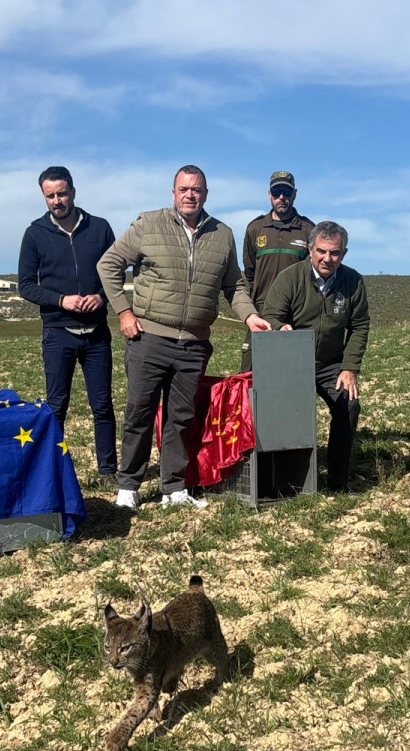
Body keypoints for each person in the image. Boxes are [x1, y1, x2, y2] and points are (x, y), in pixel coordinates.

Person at [97, 165, 271, 510]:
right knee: (139, 412)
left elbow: (234, 285)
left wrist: (249, 315)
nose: (190, 195)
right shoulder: (149, 224)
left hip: (193, 344)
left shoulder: (222, 234)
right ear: (173, 192)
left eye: (197, 189)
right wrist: (124, 312)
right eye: (184, 189)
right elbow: (109, 264)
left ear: (205, 194)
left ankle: (174, 488)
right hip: (149, 338)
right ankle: (129, 486)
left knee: (181, 417)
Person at [18, 166, 118, 486]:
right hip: (58, 333)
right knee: (57, 406)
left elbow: (115, 273)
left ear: (73, 192)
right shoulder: (35, 234)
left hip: (96, 334)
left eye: (62, 193)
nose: (57, 201)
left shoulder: (100, 228)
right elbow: (25, 286)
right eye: (50, 196)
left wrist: (101, 297)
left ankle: (108, 471)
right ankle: (54, 473)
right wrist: (61, 301)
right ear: (43, 197)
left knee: (102, 405)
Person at [262, 221, 370, 492]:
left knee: (349, 405)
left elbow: (359, 326)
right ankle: (286, 480)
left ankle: (337, 481)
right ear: (310, 249)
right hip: (292, 363)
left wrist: (349, 367)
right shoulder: (290, 278)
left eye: (335, 253)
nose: (327, 258)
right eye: (321, 251)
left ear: (344, 254)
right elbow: (271, 314)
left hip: (331, 364)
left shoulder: (353, 281)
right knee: (287, 413)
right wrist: (279, 327)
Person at [240, 171, 315, 371]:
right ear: (269, 195)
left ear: (294, 194)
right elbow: (249, 272)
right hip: (262, 311)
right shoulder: (255, 228)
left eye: (286, 192)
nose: (281, 197)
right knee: (250, 373)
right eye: (276, 192)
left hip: (295, 313)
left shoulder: (308, 230)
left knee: (292, 373)